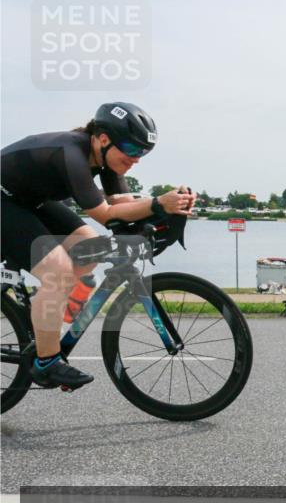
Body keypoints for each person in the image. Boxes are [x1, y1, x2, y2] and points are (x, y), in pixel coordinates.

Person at [0, 102, 194, 390]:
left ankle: (45, 320)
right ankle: (46, 363)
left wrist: (167, 210)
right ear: (103, 139)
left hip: (28, 201)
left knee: (90, 245)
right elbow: (105, 214)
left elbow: (123, 205)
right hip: (5, 201)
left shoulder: (106, 160)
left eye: (142, 152)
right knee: (59, 269)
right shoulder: (72, 153)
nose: (135, 158)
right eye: (131, 149)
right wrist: (157, 202)